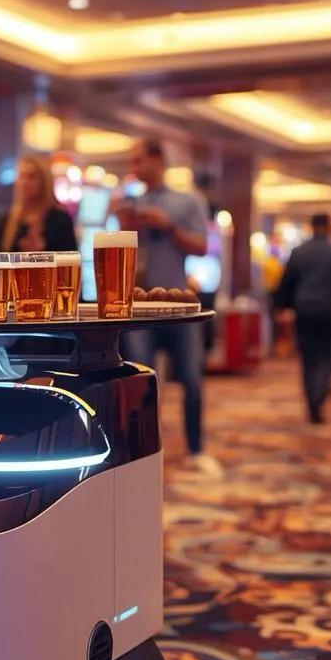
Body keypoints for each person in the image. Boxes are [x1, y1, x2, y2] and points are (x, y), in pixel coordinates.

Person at [115, 139, 217, 474]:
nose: (134, 167)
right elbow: (121, 249)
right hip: (139, 305)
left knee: (191, 377)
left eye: (138, 160)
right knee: (142, 383)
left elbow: (203, 246)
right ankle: (143, 454)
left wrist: (168, 225)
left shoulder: (186, 201)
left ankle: (196, 449)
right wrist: (123, 221)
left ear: (158, 160)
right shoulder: (132, 202)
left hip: (177, 306)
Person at [272, 213, 331, 424]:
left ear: (312, 226)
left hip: (304, 309)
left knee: (308, 358)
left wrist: (283, 307)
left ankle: (312, 402)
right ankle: (319, 397)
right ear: (329, 226)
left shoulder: (299, 252)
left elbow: (287, 282)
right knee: (326, 356)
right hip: (328, 309)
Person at [0, 153, 77, 253]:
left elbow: (70, 257)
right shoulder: (8, 219)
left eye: (31, 177)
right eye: (21, 176)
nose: (25, 182)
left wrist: (41, 250)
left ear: (44, 181)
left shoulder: (60, 220)